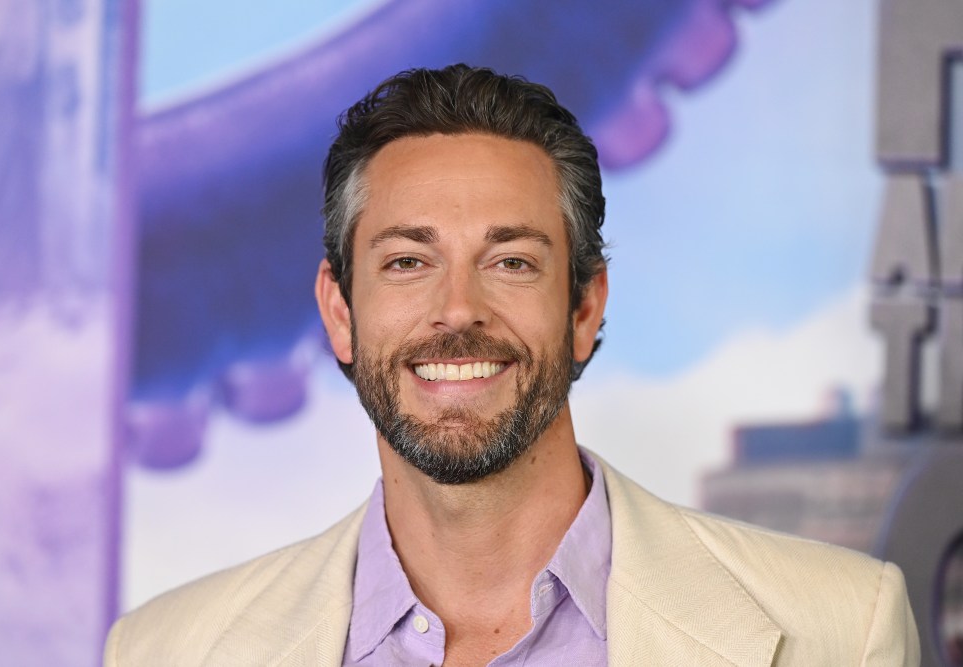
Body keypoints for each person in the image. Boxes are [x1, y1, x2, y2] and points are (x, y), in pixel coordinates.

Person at [104, 64, 920, 666]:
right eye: (406, 262)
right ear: (339, 311)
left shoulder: (841, 632)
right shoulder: (164, 651)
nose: (458, 310)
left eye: (513, 262)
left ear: (585, 306)